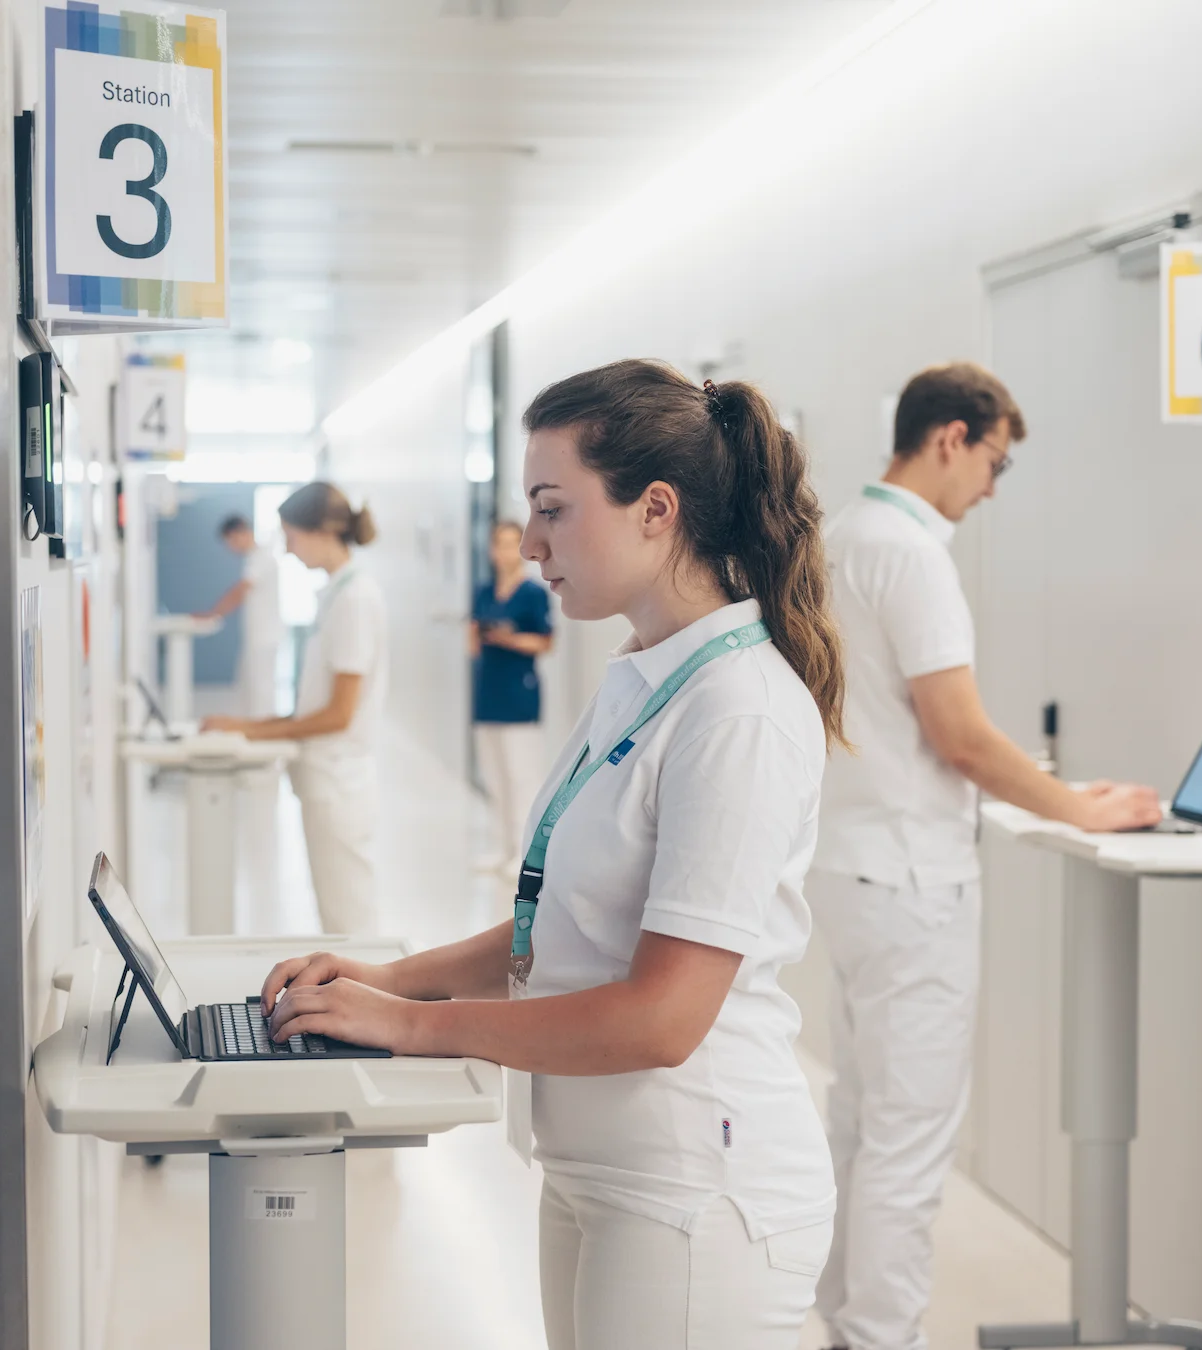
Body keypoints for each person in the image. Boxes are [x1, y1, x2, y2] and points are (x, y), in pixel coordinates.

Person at [253, 360, 846, 1349]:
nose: (528, 543)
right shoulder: (642, 674)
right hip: (596, 1163)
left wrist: (411, 1026)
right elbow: (564, 916)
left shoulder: (738, 713)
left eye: (553, 509)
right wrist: (397, 979)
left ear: (656, 510)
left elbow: (662, 1018)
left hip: (697, 1190)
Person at [809, 362, 1161, 1350]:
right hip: (914, 883)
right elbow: (958, 738)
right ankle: (882, 1338)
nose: (993, 489)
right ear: (950, 437)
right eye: (994, 462)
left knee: (858, 1118)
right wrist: (1076, 809)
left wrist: (1050, 791)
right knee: (909, 1141)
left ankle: (844, 1324)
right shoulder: (913, 554)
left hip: (844, 866)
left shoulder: (836, 539)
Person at [202, 483, 386, 936]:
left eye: (291, 535)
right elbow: (315, 705)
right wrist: (243, 725)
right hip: (323, 776)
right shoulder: (336, 594)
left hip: (338, 780)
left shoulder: (355, 599)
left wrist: (251, 733)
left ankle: (363, 1006)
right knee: (336, 915)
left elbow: (338, 715)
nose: (286, 548)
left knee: (349, 923)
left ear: (322, 530)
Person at [469, 520, 554, 874]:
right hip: (487, 693)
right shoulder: (484, 592)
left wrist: (510, 639)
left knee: (521, 778)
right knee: (494, 776)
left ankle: (524, 855)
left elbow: (546, 642)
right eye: (497, 544)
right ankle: (502, 848)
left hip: (519, 694)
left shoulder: (533, 594)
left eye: (509, 544)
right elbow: (472, 641)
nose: (502, 552)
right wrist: (478, 636)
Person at [193, 513, 286, 718]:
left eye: (230, 542)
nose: (231, 548)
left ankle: (262, 738)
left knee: (261, 692)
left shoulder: (261, 557)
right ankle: (251, 733)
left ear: (239, 533)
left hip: (265, 636)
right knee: (249, 689)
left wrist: (213, 613)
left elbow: (241, 591)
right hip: (258, 637)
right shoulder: (255, 558)